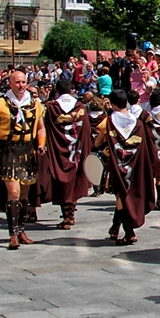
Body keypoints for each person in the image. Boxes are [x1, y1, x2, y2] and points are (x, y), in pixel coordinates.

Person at [0, 69, 47, 250]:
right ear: (10, 83)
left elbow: (41, 128)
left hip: (27, 150)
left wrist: (41, 144)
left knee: (24, 194)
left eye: (23, 82)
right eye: (17, 82)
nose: (21, 86)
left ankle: (21, 230)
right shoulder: (0, 103)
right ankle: (12, 234)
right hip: (8, 150)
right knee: (13, 192)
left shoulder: (35, 103)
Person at [94, 89, 155, 245]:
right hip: (134, 166)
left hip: (116, 165)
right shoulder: (138, 123)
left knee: (121, 196)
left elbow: (97, 142)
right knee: (124, 196)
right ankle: (115, 227)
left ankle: (129, 233)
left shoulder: (108, 122)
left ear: (113, 104)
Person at [37, 77, 93, 230]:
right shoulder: (80, 107)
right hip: (76, 150)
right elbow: (86, 131)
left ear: (57, 91)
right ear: (70, 90)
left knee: (62, 182)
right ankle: (71, 214)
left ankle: (67, 216)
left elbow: (47, 129)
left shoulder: (51, 108)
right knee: (74, 179)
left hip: (59, 151)